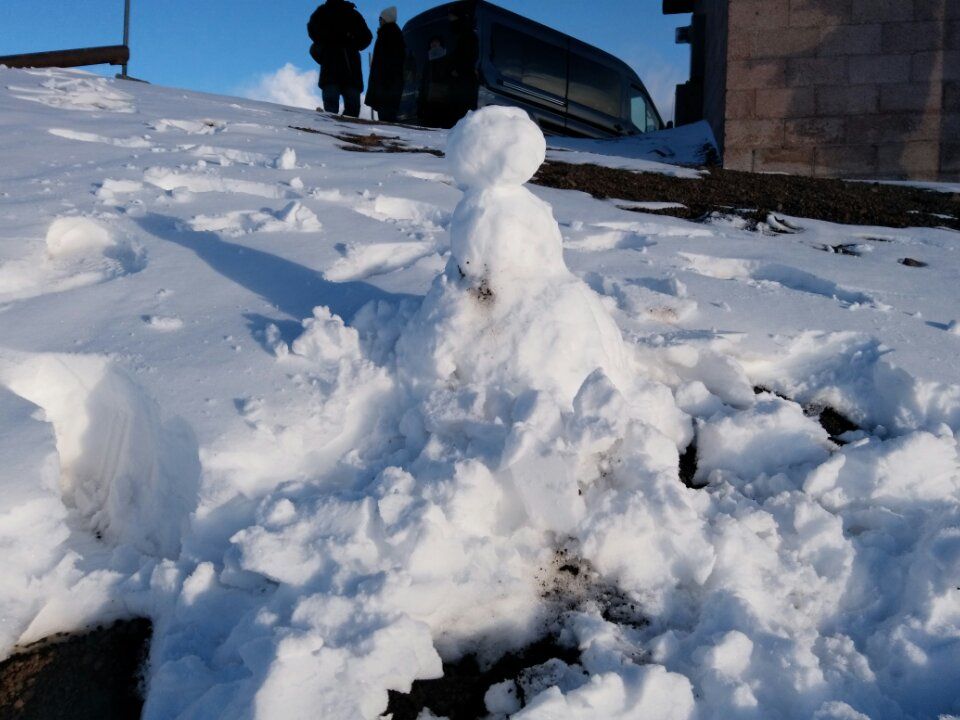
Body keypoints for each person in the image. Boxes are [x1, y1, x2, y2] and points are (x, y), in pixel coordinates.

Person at [307, 0, 372, 117]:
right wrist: (351, 42)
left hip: (336, 67)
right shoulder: (351, 13)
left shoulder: (323, 12)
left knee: (335, 109)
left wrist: (329, 41)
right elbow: (366, 37)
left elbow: (366, 37)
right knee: (349, 109)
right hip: (347, 67)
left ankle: (335, 127)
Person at [365, 7, 407, 122]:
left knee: (385, 116)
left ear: (386, 19)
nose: (379, 21)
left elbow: (383, 62)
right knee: (390, 113)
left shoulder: (386, 34)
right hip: (392, 83)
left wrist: (381, 80)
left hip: (385, 83)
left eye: (381, 18)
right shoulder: (397, 34)